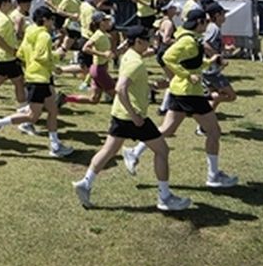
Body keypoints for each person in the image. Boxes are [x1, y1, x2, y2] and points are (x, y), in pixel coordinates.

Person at [73, 26, 191, 211]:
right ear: (138, 42)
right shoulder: (135, 62)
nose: (150, 43)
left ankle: (85, 183)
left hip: (120, 115)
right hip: (133, 116)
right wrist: (135, 116)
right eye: (147, 39)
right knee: (162, 151)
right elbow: (121, 88)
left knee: (108, 150)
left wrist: (151, 85)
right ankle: (165, 197)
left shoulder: (129, 56)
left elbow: (131, 84)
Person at [124, 8, 240, 189]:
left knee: (167, 129)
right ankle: (213, 176)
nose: (207, 24)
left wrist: (210, 62)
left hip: (180, 90)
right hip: (189, 91)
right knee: (214, 132)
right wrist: (186, 75)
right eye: (205, 21)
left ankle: (134, 152)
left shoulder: (191, 39)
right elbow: (168, 57)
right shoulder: (187, 40)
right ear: (200, 23)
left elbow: (193, 63)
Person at [0, 7, 75, 158]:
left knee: (53, 110)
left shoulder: (30, 31)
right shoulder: (44, 37)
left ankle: (55, 144)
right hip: (38, 79)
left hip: (39, 78)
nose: (53, 22)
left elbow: (21, 53)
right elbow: (41, 57)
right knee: (32, 116)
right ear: (45, 20)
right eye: (51, 19)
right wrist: (57, 57)